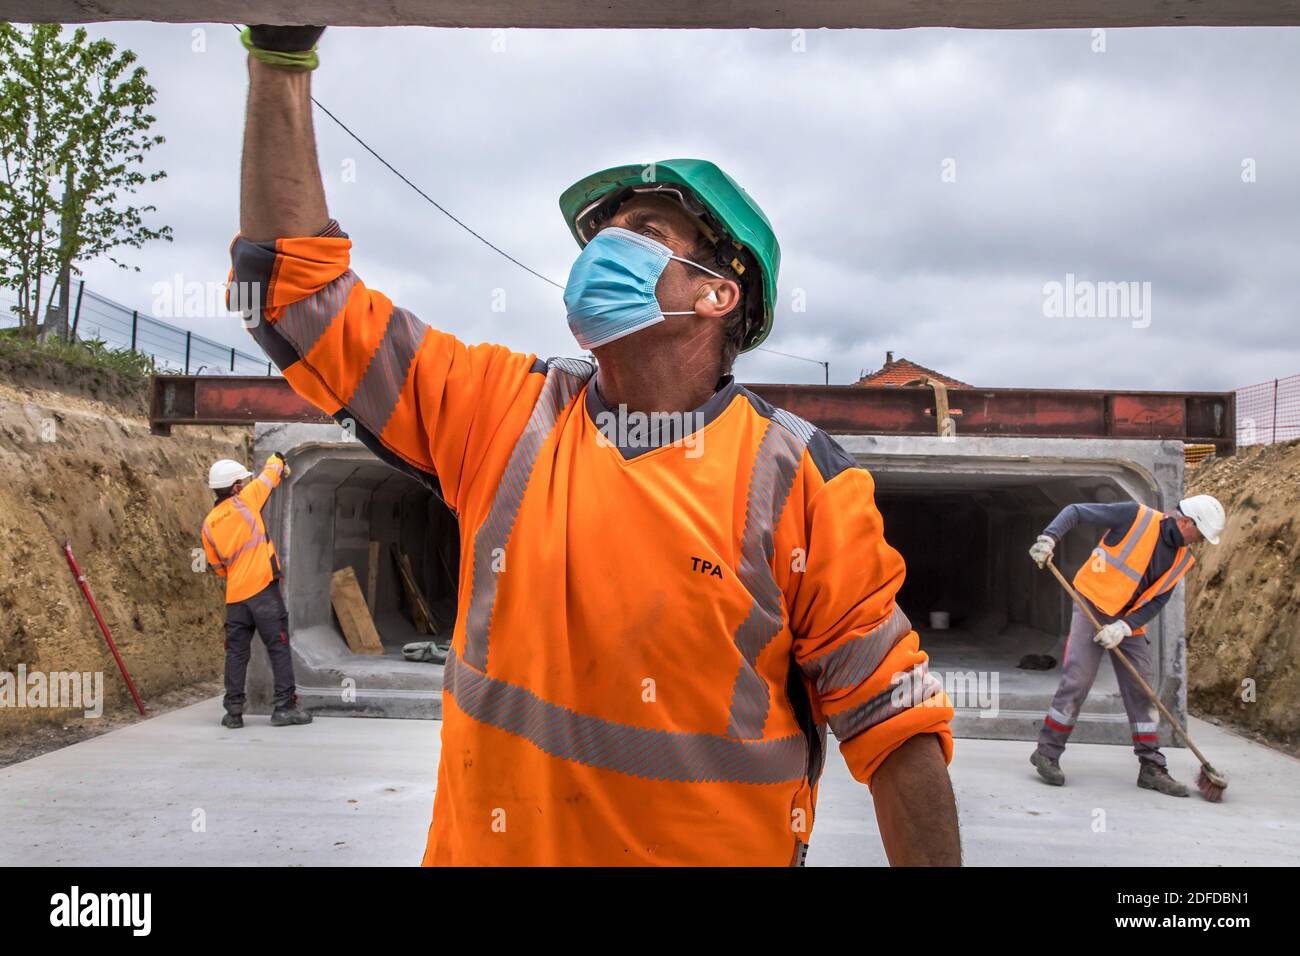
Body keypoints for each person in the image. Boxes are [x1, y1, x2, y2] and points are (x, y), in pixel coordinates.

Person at [229, 24, 959, 865]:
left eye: (641, 228)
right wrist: (279, 62)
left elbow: (896, 723)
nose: (605, 247)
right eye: (602, 232)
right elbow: (298, 295)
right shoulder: (503, 414)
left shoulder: (797, 481)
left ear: (720, 292)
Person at [1027, 494, 1225, 796]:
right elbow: (1074, 509)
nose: (1198, 541)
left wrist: (1124, 626)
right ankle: (1047, 752)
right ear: (1186, 521)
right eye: (1198, 534)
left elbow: (1158, 599)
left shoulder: (1181, 559)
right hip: (1092, 603)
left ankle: (1152, 767)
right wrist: (1049, 538)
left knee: (1142, 690)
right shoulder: (1135, 516)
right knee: (1077, 680)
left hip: (1128, 623)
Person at [201, 453, 312, 729]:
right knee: (278, 646)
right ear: (236, 486)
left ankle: (233, 713)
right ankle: (284, 707)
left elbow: (217, 567)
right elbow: (270, 473)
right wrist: (278, 458)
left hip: (235, 598)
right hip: (262, 591)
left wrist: (239, 573)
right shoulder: (246, 500)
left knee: (237, 653)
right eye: (242, 482)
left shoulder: (209, 523)